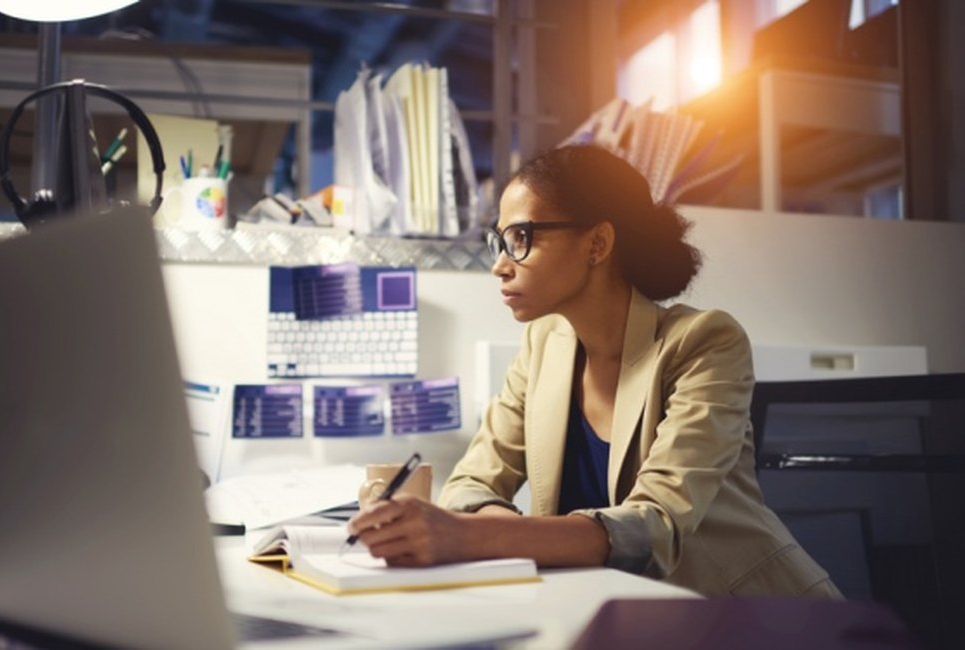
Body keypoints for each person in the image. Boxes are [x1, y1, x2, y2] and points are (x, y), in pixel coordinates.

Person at [347, 144, 841, 597]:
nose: (500, 264)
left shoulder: (704, 342)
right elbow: (471, 483)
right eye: (499, 240)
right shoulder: (543, 345)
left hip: (749, 618)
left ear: (598, 244)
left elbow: (654, 525)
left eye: (521, 238)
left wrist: (471, 534)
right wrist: (483, 531)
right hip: (615, 614)